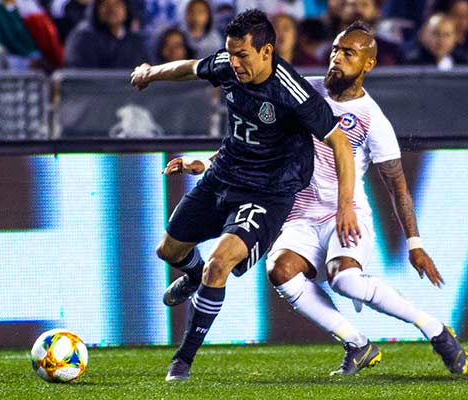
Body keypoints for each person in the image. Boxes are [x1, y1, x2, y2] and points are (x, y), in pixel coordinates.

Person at [130, 9, 360, 381]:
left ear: (267, 51)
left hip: (268, 192)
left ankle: (182, 360)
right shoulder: (227, 64)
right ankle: (191, 277)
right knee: (168, 251)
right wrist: (149, 73)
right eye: (230, 53)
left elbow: (341, 143)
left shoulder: (291, 90)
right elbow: (190, 67)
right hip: (225, 174)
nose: (233, 63)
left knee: (218, 264)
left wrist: (345, 206)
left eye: (242, 55)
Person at [266, 21, 468, 376]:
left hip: (345, 214)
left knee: (345, 281)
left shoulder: (372, 118)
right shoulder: (304, 94)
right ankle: (357, 344)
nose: (337, 58)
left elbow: (397, 184)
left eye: (349, 53)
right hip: (299, 216)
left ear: (368, 64)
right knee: (280, 271)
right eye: (334, 50)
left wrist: (415, 243)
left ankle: (434, 330)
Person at [65, 0, 148, 68]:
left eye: (117, 4)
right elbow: (79, 75)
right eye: (105, 4)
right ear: (96, 8)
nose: (112, 9)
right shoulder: (82, 37)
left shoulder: (135, 40)